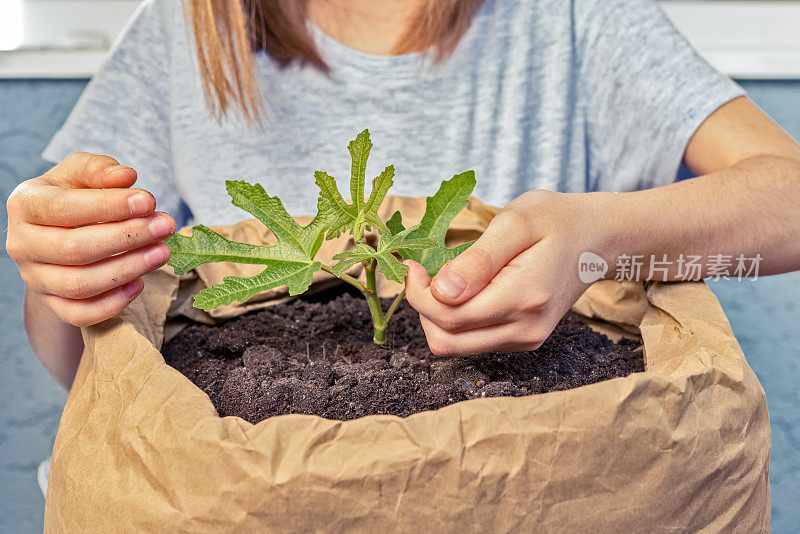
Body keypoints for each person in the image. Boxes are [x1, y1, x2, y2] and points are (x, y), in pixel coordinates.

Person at [6, 0, 800, 390]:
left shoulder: (574, 18)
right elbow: (78, 364)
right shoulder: (185, 30)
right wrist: (63, 274)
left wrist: (598, 237)